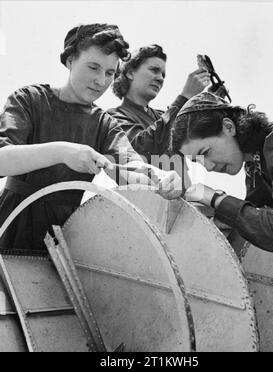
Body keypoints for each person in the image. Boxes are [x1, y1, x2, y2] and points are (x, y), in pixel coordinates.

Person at [0, 24, 182, 255]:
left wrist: (160, 178)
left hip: (67, 238)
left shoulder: (103, 124)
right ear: (70, 60)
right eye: (93, 67)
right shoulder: (28, 100)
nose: (101, 81)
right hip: (11, 226)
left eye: (109, 73)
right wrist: (64, 153)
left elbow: (130, 168)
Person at [170, 91, 273, 257]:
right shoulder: (254, 162)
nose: (208, 167)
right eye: (197, 161)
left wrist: (216, 198)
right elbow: (257, 219)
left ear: (228, 127)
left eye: (206, 152)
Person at [107, 44, 210, 161]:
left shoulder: (162, 116)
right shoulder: (113, 118)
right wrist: (185, 97)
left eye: (163, 75)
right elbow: (142, 148)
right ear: (130, 73)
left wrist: (212, 100)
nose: (160, 78)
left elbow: (196, 141)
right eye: (154, 70)